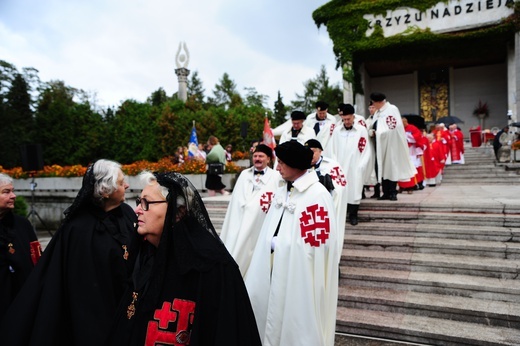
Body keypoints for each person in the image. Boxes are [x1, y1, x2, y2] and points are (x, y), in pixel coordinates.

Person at [105, 171, 262, 346]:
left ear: (178, 212)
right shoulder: (146, 254)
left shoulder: (213, 266)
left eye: (146, 203)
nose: (138, 210)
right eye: (139, 202)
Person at [1, 159, 138, 346]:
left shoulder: (127, 213)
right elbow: (78, 283)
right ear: (105, 191)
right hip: (92, 313)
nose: (127, 185)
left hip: (125, 303)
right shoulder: (79, 228)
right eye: (122, 183)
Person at [245, 141, 339, 346]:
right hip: (272, 267)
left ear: (296, 165)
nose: (277, 167)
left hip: (299, 273)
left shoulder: (317, 195)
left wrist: (283, 245)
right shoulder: (282, 190)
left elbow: (317, 244)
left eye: (282, 163)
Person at [220, 144, 281, 277]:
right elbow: (237, 198)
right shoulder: (244, 174)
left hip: (260, 223)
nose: (257, 159)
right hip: (240, 221)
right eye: (255, 156)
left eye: (261, 156)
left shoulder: (276, 177)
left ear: (269, 159)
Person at [0, 173, 40, 322]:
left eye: (13, 190)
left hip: (22, 298)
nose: (13, 196)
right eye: (6, 192)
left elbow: (36, 258)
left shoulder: (23, 224)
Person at [326, 104, 372, 226]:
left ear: (353, 117)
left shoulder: (361, 130)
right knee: (341, 190)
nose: (346, 122)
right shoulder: (337, 131)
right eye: (344, 119)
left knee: (354, 190)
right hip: (340, 166)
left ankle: (353, 215)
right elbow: (333, 149)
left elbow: (366, 148)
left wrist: (361, 165)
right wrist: (335, 165)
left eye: (348, 119)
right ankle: (342, 214)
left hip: (355, 165)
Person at [369, 92, 416, 201]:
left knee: (391, 168)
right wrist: (372, 132)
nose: (373, 105)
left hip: (391, 146)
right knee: (383, 169)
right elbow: (375, 125)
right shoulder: (378, 112)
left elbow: (395, 127)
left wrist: (379, 133)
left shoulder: (392, 109)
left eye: (373, 103)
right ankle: (385, 193)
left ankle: (393, 192)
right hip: (380, 145)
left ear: (379, 102)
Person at [305, 139, 347, 252]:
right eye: (306, 151)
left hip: (327, 207)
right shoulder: (301, 166)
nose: (309, 154)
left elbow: (341, 188)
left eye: (312, 151)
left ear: (320, 151)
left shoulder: (332, 166)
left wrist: (328, 187)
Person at [398, 117, 427, 193]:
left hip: (412, 151)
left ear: (405, 122)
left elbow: (417, 137)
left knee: (412, 168)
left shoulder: (413, 128)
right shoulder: (400, 129)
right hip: (402, 151)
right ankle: (402, 186)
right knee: (402, 169)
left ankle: (412, 185)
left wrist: (407, 137)